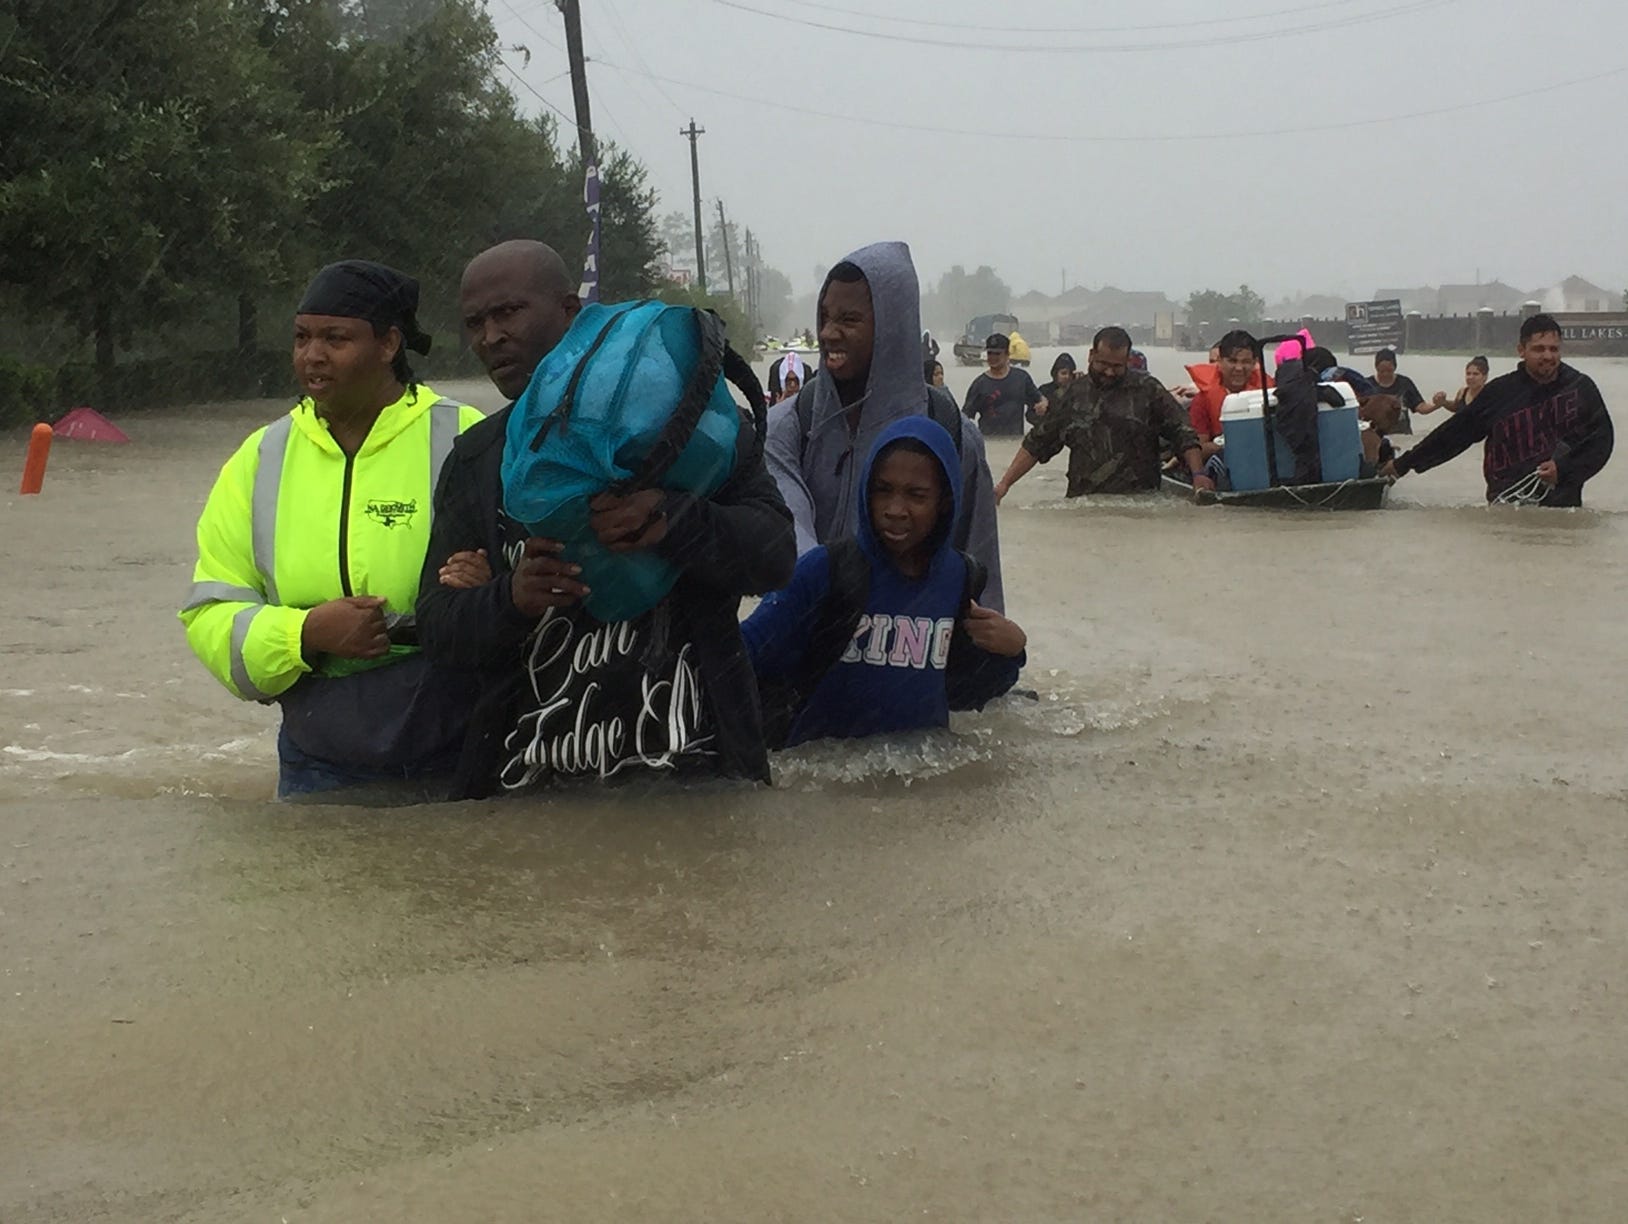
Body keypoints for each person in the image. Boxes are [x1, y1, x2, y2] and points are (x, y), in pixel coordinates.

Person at [415, 240, 796, 797]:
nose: (490, 336)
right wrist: (511, 599)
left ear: (571, 314)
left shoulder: (693, 433)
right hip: (528, 790)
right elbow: (439, 630)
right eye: (475, 322)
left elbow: (776, 558)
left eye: (508, 312)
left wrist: (677, 521)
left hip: (699, 776)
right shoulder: (476, 460)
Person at [179, 260, 485, 798]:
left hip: (461, 742)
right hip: (317, 755)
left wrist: (483, 587)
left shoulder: (467, 437)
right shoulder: (260, 458)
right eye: (302, 338)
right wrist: (306, 634)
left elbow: (534, 581)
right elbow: (211, 611)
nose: (312, 355)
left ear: (389, 343)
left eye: (335, 338)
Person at [744, 417, 1025, 747]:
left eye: (916, 496)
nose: (895, 509)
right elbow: (744, 653)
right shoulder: (824, 569)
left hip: (920, 785)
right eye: (883, 490)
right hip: (824, 783)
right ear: (866, 490)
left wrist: (1012, 652)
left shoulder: (961, 577)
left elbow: (966, 693)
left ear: (945, 502)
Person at [765, 240, 1005, 611]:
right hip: (808, 643)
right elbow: (788, 536)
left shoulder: (953, 436)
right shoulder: (787, 427)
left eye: (849, 320)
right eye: (825, 317)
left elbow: (981, 571)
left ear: (895, 327)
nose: (828, 333)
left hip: (915, 655)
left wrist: (994, 659)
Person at [1383, 314, 1614, 506]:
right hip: (1505, 506)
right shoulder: (1500, 392)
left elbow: (1601, 441)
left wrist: (1563, 469)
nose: (1548, 356)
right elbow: (1453, 435)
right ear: (1521, 350)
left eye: (1554, 349)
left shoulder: (1579, 388)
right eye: (1539, 349)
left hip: (1562, 508)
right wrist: (1402, 464)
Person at [994, 326, 1213, 500]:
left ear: (1127, 361)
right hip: (1084, 504)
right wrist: (1004, 485)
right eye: (1103, 364)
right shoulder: (1071, 395)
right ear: (1091, 355)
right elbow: (1036, 444)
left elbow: (1183, 433)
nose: (1109, 372)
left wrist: (1198, 475)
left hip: (1143, 504)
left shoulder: (1148, 390)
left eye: (1117, 366)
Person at [1187, 329, 1266, 460]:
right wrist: (1227, 443)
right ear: (1219, 361)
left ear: (1254, 363)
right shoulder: (1202, 400)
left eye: (1246, 362)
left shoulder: (1269, 394)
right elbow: (1198, 451)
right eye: (1232, 361)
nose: (1239, 368)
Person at [962, 333, 1044, 436]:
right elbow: (964, 418)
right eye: (990, 353)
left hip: (1015, 442)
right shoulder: (979, 384)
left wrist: (1042, 406)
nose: (992, 357)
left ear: (1007, 354)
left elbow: (1040, 399)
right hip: (989, 442)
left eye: (997, 354)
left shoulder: (1022, 378)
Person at [1372, 348, 1423, 434]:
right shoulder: (1366, 385)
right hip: (1376, 436)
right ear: (1376, 367)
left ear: (1395, 367)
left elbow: (1421, 407)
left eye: (1389, 371)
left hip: (1403, 434)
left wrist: (1438, 404)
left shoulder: (1405, 383)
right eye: (1382, 371)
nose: (1385, 374)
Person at [1419, 355, 1490, 414]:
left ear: (1485, 377)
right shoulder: (1462, 392)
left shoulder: (1490, 394)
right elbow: (1455, 407)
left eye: (1476, 374)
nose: (1471, 377)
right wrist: (1443, 402)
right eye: (1468, 374)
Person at [1035, 353, 1075, 425]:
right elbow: (1030, 414)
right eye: (1063, 373)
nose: (1067, 377)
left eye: (1070, 374)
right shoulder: (1044, 390)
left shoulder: (1078, 390)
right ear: (1055, 374)